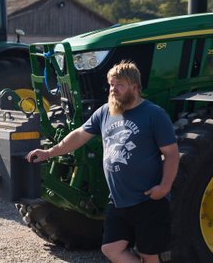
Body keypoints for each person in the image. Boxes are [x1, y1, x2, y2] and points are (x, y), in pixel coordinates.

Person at [26, 61, 179, 263]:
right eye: (111, 85)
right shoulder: (106, 112)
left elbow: (171, 154)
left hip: (148, 200)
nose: (113, 90)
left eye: (119, 85)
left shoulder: (154, 115)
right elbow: (79, 135)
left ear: (134, 87)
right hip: (118, 200)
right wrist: (49, 152)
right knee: (110, 249)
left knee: (148, 254)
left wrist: (164, 187)